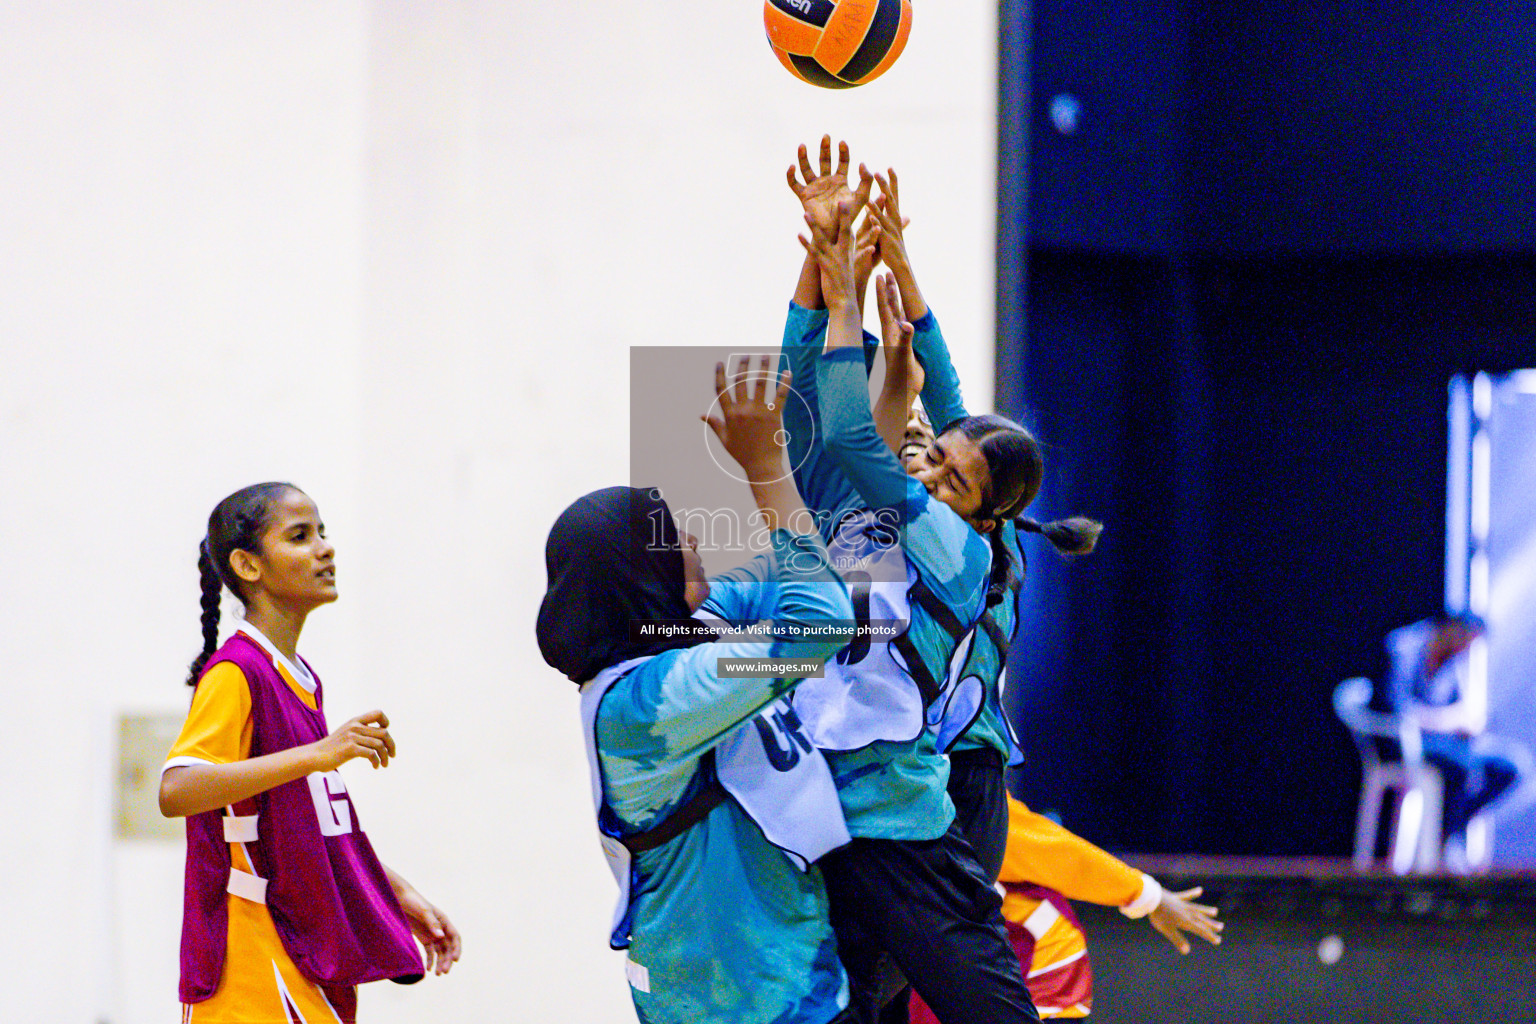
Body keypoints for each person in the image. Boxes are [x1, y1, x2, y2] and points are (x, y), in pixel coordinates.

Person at [784, 139, 1044, 1024]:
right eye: (931, 460)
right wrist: (879, 275)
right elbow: (839, 419)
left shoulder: (955, 548)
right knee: (856, 1000)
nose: (930, 472)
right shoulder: (892, 518)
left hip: (944, 783)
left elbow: (854, 433)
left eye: (949, 479)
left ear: (984, 515)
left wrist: (848, 287)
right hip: (854, 796)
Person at [537, 358, 858, 1024]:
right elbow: (820, 619)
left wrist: (815, 435)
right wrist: (763, 473)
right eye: (671, 535)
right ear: (639, 569)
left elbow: (808, 560)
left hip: (779, 976)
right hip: (733, 995)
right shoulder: (646, 703)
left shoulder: (684, 636)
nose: (691, 539)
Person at [161, 483, 460, 1024]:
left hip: (301, 947)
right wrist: (318, 754)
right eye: (300, 537)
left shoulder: (298, 678)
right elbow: (177, 789)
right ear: (247, 565)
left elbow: (307, 827)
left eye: (322, 533)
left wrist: (393, 891)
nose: (325, 549)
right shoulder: (236, 673)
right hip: (250, 956)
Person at [910, 793, 1222, 1022]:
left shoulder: (960, 801)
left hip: (1040, 971)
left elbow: (1060, 855)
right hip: (961, 966)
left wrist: (1150, 896)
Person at [1376, 612, 1528, 865]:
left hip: (1445, 742)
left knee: (1509, 766)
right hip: (1402, 742)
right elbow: (1397, 708)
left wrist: (1467, 720)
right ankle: (1439, 839)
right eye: (1465, 640)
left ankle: (1448, 830)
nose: (1465, 649)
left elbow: (1459, 708)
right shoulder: (1404, 647)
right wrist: (1444, 720)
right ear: (1449, 629)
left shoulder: (1454, 662)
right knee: (1460, 766)